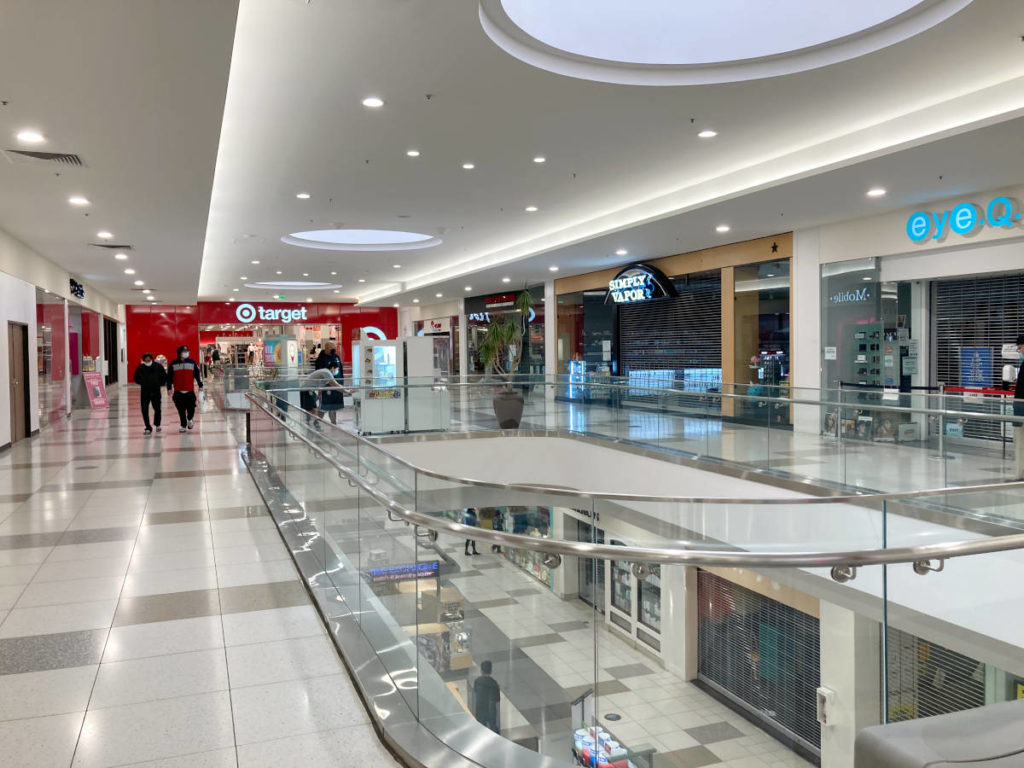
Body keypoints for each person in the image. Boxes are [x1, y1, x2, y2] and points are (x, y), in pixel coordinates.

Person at [300, 362, 349, 429]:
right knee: (312, 410)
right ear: (332, 368)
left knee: (315, 409)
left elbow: (328, 385)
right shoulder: (327, 373)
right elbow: (335, 385)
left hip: (309, 390)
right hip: (306, 390)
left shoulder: (325, 372)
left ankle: (313, 424)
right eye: (336, 369)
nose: (337, 371)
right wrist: (347, 391)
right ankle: (309, 426)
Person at [167, 345, 203, 433]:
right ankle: (183, 425)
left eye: (187, 351)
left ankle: (190, 419)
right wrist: (169, 388)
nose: (186, 353)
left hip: (189, 391)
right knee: (181, 410)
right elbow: (169, 377)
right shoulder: (173, 363)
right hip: (178, 391)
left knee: (191, 409)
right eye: (184, 351)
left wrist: (200, 384)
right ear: (179, 353)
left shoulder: (192, 362)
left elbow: (197, 374)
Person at [132, 352, 166, 435]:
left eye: (149, 357)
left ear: (151, 358)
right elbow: (136, 378)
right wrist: (143, 383)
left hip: (156, 391)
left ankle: (157, 424)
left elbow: (164, 376)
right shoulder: (140, 368)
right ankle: (148, 427)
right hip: (145, 392)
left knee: (157, 409)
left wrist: (159, 383)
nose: (147, 359)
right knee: (144, 409)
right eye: (146, 358)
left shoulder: (158, 366)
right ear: (143, 359)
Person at [472, 660, 500, 733]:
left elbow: (475, 691)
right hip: (491, 710)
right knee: (493, 727)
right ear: (491, 670)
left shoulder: (477, 681)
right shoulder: (494, 683)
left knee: (481, 729)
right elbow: (497, 699)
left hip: (480, 709)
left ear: (481, 670)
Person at [1014, 334, 1024, 479]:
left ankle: (1021, 473)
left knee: (1021, 443)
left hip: (1022, 410)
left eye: (1020, 347)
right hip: (1020, 409)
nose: (1019, 351)